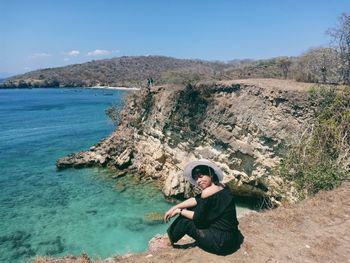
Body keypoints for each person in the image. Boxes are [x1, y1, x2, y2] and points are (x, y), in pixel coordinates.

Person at [163, 159, 244, 255]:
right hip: (233, 239)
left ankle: (169, 242)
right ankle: (171, 237)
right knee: (193, 208)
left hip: (221, 244)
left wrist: (179, 211)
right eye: (196, 178)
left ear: (211, 174)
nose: (198, 181)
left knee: (184, 220)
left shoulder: (207, 192)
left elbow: (198, 219)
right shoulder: (222, 186)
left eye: (201, 176)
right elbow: (196, 200)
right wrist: (174, 207)